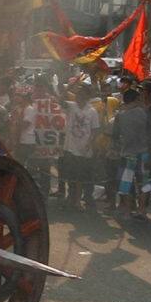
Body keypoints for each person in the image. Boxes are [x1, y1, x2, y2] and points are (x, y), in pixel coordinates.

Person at [60, 83, 99, 212]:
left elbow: (95, 130)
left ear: (87, 96)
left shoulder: (92, 111)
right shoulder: (71, 107)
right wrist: (67, 86)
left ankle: (77, 200)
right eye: (77, 94)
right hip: (70, 147)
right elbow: (60, 100)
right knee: (70, 175)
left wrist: (89, 143)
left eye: (81, 94)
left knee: (81, 177)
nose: (78, 96)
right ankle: (71, 198)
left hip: (84, 149)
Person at [113, 88, 148, 216]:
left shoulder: (120, 115)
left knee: (125, 184)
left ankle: (127, 211)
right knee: (143, 183)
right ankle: (141, 209)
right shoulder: (143, 113)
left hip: (127, 153)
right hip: (143, 152)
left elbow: (115, 135)